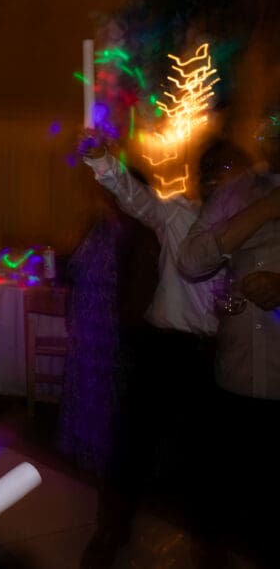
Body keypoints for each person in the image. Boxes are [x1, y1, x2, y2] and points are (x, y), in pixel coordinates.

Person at [78, 133, 250, 568]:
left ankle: (208, 545)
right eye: (213, 176)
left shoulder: (252, 230)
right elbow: (136, 198)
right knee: (131, 444)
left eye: (230, 177)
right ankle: (109, 531)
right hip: (162, 347)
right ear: (202, 180)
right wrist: (102, 160)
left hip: (214, 353)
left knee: (208, 454)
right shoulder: (177, 213)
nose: (219, 185)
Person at [177, 113, 280, 566]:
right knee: (222, 505)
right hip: (234, 375)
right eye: (270, 122)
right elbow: (191, 260)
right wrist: (266, 209)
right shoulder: (238, 192)